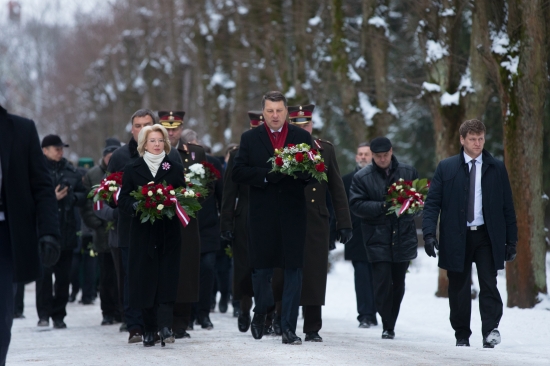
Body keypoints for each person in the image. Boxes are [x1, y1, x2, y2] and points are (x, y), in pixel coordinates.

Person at [422, 119, 517, 348]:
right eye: (472, 139)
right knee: (458, 286)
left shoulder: (496, 168)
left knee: (489, 283)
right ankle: (462, 334)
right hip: (456, 236)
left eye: (481, 139)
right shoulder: (447, 167)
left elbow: (507, 206)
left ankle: (490, 331)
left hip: (486, 236)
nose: (477, 143)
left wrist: (511, 240)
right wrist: (428, 234)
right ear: (462, 139)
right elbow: (432, 203)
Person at [232, 91, 312, 345]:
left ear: (286, 112)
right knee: (262, 270)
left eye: (279, 110)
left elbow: (312, 171)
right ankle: (262, 307)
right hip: (262, 214)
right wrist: (266, 175)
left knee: (293, 270)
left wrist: (296, 172)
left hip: (293, 213)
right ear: (263, 112)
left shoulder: (301, 137)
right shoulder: (249, 138)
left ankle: (288, 327)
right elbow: (238, 172)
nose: (275, 115)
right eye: (270, 111)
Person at [273, 104, 352, 342]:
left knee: (314, 273)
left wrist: (344, 221)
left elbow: (337, 187)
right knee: (284, 271)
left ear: (312, 125)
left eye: (306, 124)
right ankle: (281, 319)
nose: (303, 129)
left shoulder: (324, 149)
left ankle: (312, 326)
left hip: (316, 220)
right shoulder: (280, 149)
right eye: (297, 125)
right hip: (286, 217)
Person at [107, 109, 182, 343]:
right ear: (144, 143)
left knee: (167, 278)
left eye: (161, 140)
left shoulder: (174, 167)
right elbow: (124, 199)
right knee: (145, 280)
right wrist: (141, 206)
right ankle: (149, 329)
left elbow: (183, 195)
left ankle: (166, 327)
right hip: (142, 233)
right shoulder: (132, 168)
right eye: (152, 140)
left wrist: (171, 203)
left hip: (168, 232)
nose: (157, 144)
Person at [0, 105, 60, 366]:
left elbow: (42, 187)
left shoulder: (21, 129)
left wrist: (49, 231)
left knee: (1, 313)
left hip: (6, 236)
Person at [349, 137, 418, 340]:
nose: (382, 159)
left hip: (403, 235)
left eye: (385, 155)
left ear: (391, 152)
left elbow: (420, 199)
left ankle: (391, 321)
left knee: (399, 282)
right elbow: (356, 204)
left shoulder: (408, 172)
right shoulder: (363, 177)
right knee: (381, 283)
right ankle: (387, 322)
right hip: (377, 236)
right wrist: (382, 207)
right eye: (378, 156)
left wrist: (408, 208)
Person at [159, 111, 206, 339]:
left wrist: (190, 196)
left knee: (186, 271)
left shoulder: (195, 154)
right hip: (160, 219)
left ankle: (181, 322)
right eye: (166, 128)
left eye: (175, 128)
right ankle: (163, 320)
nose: (171, 132)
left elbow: (205, 189)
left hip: (187, 220)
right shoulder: (153, 151)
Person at [36, 134, 87, 329]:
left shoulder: (71, 171)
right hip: (45, 231)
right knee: (44, 276)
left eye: (61, 148)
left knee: (64, 278)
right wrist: (51, 197)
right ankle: (43, 315)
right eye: (56, 148)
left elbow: (84, 194)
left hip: (66, 229)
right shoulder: (37, 171)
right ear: (45, 150)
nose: (60, 152)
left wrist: (72, 198)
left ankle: (59, 315)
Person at [220, 111, 264, 333]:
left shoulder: (278, 153)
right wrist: (226, 225)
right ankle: (245, 308)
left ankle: (265, 314)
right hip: (244, 218)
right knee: (245, 269)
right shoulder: (238, 154)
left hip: (269, 217)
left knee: (270, 268)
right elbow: (229, 193)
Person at [181, 129, 223, 330]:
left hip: (208, 227)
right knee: (188, 273)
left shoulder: (212, 165)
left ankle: (204, 313)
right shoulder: (178, 164)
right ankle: (187, 316)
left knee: (207, 270)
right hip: (187, 227)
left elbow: (221, 196)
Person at [80, 138, 122, 325]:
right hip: (101, 233)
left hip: (119, 231)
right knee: (105, 276)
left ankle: (122, 311)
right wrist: (97, 224)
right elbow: (88, 205)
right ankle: (107, 311)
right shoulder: (93, 175)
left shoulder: (123, 173)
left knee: (120, 275)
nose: (110, 160)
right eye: (108, 156)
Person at [342, 142, 378, 328]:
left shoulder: (382, 178)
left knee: (380, 276)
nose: (363, 157)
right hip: (356, 236)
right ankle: (365, 314)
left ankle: (377, 311)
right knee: (362, 276)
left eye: (367, 154)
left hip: (379, 235)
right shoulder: (346, 180)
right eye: (360, 154)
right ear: (356, 157)